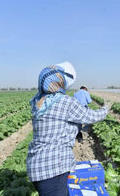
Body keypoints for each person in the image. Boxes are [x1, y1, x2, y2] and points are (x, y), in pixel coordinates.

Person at [26, 62, 108, 196]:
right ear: (59, 83)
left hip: (37, 167)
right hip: (53, 168)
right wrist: (105, 110)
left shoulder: (39, 100)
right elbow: (90, 116)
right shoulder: (64, 102)